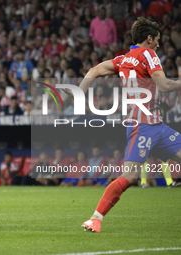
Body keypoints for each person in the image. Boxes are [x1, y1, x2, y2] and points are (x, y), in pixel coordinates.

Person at [64, 17, 181, 233]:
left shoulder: (124, 59)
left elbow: (93, 71)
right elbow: (164, 86)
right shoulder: (149, 54)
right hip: (144, 126)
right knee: (129, 176)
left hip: (156, 126)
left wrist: (79, 92)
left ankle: (95, 218)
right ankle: (95, 219)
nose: (158, 44)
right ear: (149, 38)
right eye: (157, 40)